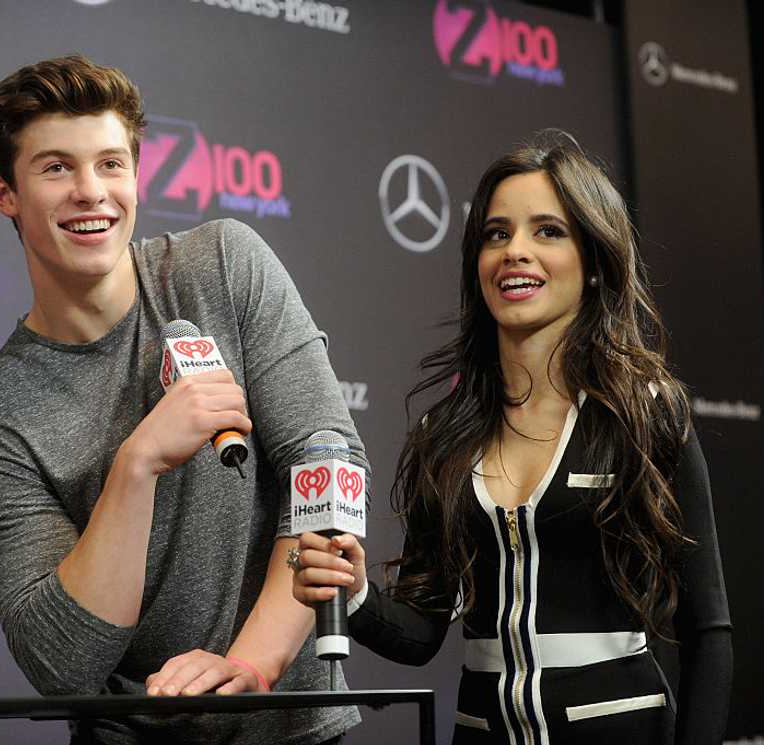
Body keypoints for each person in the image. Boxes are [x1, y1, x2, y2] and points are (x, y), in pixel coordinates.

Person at [0, 55, 364, 745]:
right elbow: (64, 660)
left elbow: (330, 463)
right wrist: (136, 462)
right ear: (4, 192)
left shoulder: (223, 265)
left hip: (294, 730)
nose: (92, 192)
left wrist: (251, 666)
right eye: (57, 168)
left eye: (111, 164)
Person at [291, 131, 732, 744]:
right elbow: (421, 635)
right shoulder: (442, 435)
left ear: (595, 263)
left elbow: (708, 629)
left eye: (547, 231)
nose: (515, 252)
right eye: (496, 234)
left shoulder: (648, 416)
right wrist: (356, 592)